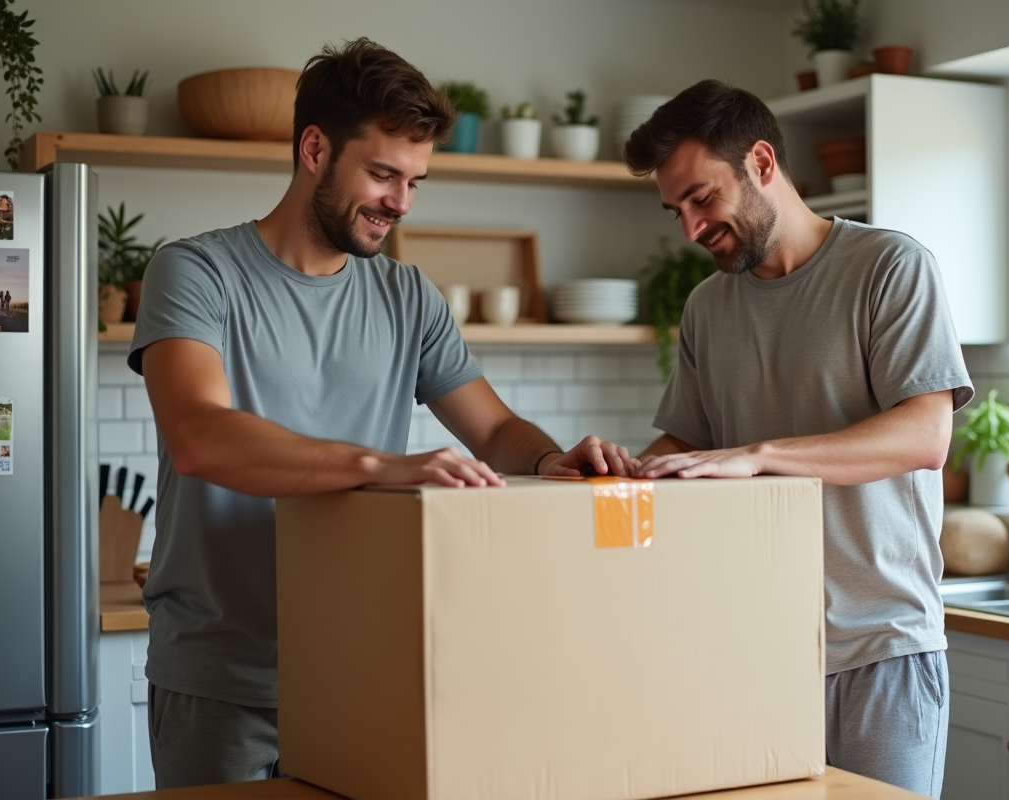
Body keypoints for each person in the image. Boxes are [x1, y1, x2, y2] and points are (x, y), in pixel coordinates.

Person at [129, 38, 635, 789]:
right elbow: (200, 435)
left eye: (416, 182)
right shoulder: (196, 271)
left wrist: (547, 460)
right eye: (383, 174)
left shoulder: (407, 296)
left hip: (365, 675)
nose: (400, 202)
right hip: (222, 677)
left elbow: (493, 429)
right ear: (314, 149)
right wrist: (383, 467)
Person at [623, 80, 973, 798]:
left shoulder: (888, 267)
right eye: (676, 209)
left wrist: (759, 456)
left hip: (882, 648)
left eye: (701, 198)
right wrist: (619, 472)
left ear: (759, 162)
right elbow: (687, 443)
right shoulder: (708, 307)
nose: (689, 228)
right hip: (751, 648)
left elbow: (924, 434)